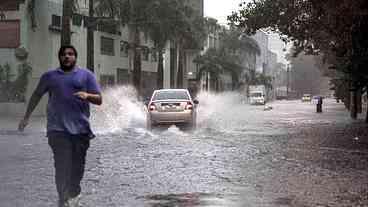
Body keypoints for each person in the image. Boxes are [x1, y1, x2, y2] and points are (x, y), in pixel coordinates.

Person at [18, 45, 102, 207]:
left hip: (81, 131)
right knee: (62, 165)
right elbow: (36, 96)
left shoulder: (86, 76)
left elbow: (99, 99)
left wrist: (87, 95)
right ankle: (63, 199)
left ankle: (73, 194)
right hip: (57, 130)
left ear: (75, 57)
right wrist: (26, 117)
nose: (67, 57)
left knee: (77, 168)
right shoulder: (49, 77)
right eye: (63, 54)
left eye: (70, 54)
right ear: (59, 58)